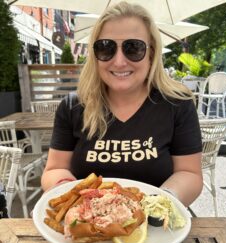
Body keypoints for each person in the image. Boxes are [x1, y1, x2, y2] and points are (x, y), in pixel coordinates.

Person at [41, 1, 203, 207]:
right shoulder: (73, 106)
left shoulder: (177, 104)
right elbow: (54, 169)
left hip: (157, 230)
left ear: (152, 52)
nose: (118, 61)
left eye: (133, 48)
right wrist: (69, 193)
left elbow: (189, 173)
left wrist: (158, 206)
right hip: (84, 226)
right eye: (106, 48)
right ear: (95, 55)